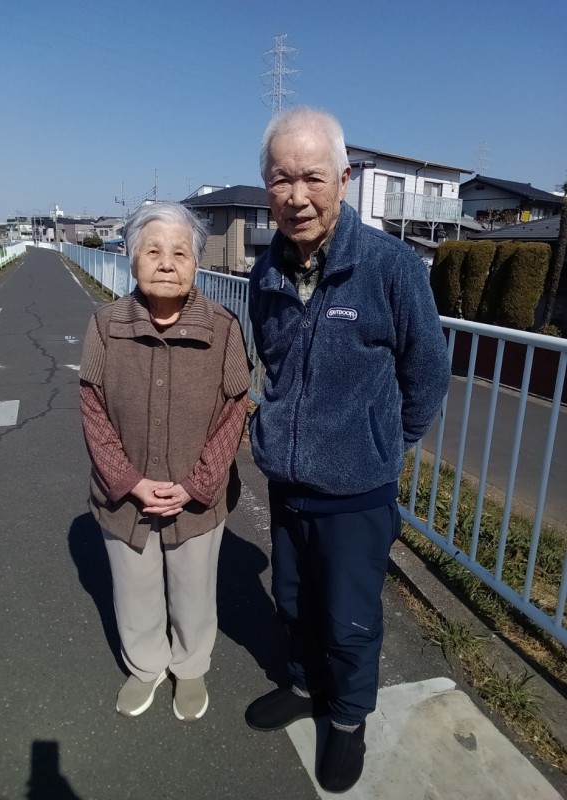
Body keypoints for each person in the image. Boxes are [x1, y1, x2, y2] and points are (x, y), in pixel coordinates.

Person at [245, 108, 451, 793]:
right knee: (293, 599)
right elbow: (274, 363)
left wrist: (386, 443)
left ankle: (349, 718)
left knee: (350, 618)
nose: (297, 195)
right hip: (288, 483)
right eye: (282, 179)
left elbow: (428, 371)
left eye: (312, 177)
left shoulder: (390, 267)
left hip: (357, 492)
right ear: (266, 185)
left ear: (344, 178)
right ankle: (306, 685)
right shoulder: (265, 272)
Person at [79, 202, 250, 722]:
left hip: (197, 499)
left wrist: (198, 484)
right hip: (123, 497)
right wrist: (128, 481)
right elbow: (92, 407)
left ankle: (191, 666)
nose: (167, 263)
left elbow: (235, 410)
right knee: (134, 587)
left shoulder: (223, 328)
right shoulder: (105, 325)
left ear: (196, 263)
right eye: (152, 251)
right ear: (132, 259)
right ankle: (145, 665)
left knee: (193, 588)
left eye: (180, 252)